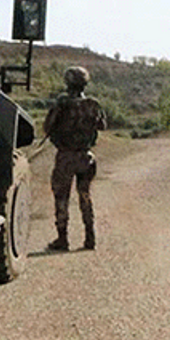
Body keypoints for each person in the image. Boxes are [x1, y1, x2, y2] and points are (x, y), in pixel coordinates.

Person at [43, 66, 106, 251]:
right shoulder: (93, 104)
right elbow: (102, 126)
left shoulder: (61, 104)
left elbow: (47, 127)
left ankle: (62, 239)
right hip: (86, 157)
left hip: (66, 157)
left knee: (61, 198)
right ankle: (90, 237)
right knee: (85, 196)